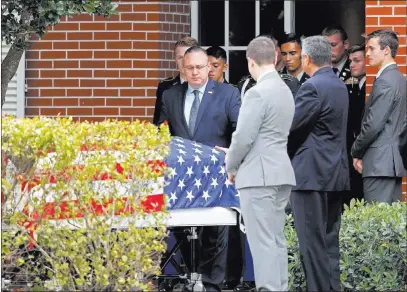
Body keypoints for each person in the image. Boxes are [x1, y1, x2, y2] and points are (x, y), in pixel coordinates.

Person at [158, 46, 240, 292]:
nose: (194, 72)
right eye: (189, 67)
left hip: (215, 174)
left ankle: (212, 285)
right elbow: (162, 134)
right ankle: (189, 279)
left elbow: (240, 129)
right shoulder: (170, 96)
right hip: (181, 178)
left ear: (209, 67)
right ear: (182, 68)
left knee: (216, 233)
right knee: (184, 232)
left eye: (199, 67)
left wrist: (234, 155)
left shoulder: (228, 93)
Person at [221, 36, 295, 291]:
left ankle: (269, 288)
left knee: (262, 242)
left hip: (258, 175)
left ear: (250, 62)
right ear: (275, 58)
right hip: (281, 171)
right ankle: (279, 287)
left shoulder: (257, 92)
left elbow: (242, 137)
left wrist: (231, 165)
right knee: (275, 240)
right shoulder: (285, 88)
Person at [287, 35, 350, 291]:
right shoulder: (339, 85)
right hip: (335, 174)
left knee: (311, 246)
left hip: (310, 175)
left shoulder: (312, 87)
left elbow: (291, 127)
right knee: (329, 245)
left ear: (307, 58)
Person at [351, 29, 406, 203]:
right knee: (388, 224)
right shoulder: (398, 79)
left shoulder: (386, 80)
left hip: (379, 163)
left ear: (387, 50)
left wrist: (356, 150)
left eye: (372, 48)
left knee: (376, 222)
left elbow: (373, 124)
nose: (367, 53)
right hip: (390, 161)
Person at [153, 36, 199, 125]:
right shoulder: (165, 87)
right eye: (180, 57)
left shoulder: (209, 85)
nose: (184, 61)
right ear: (175, 60)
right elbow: (158, 123)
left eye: (188, 56)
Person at [342, 43, 366, 206]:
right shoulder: (354, 86)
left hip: (363, 153)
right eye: (350, 61)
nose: (352, 65)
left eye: (357, 60)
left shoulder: (368, 87)